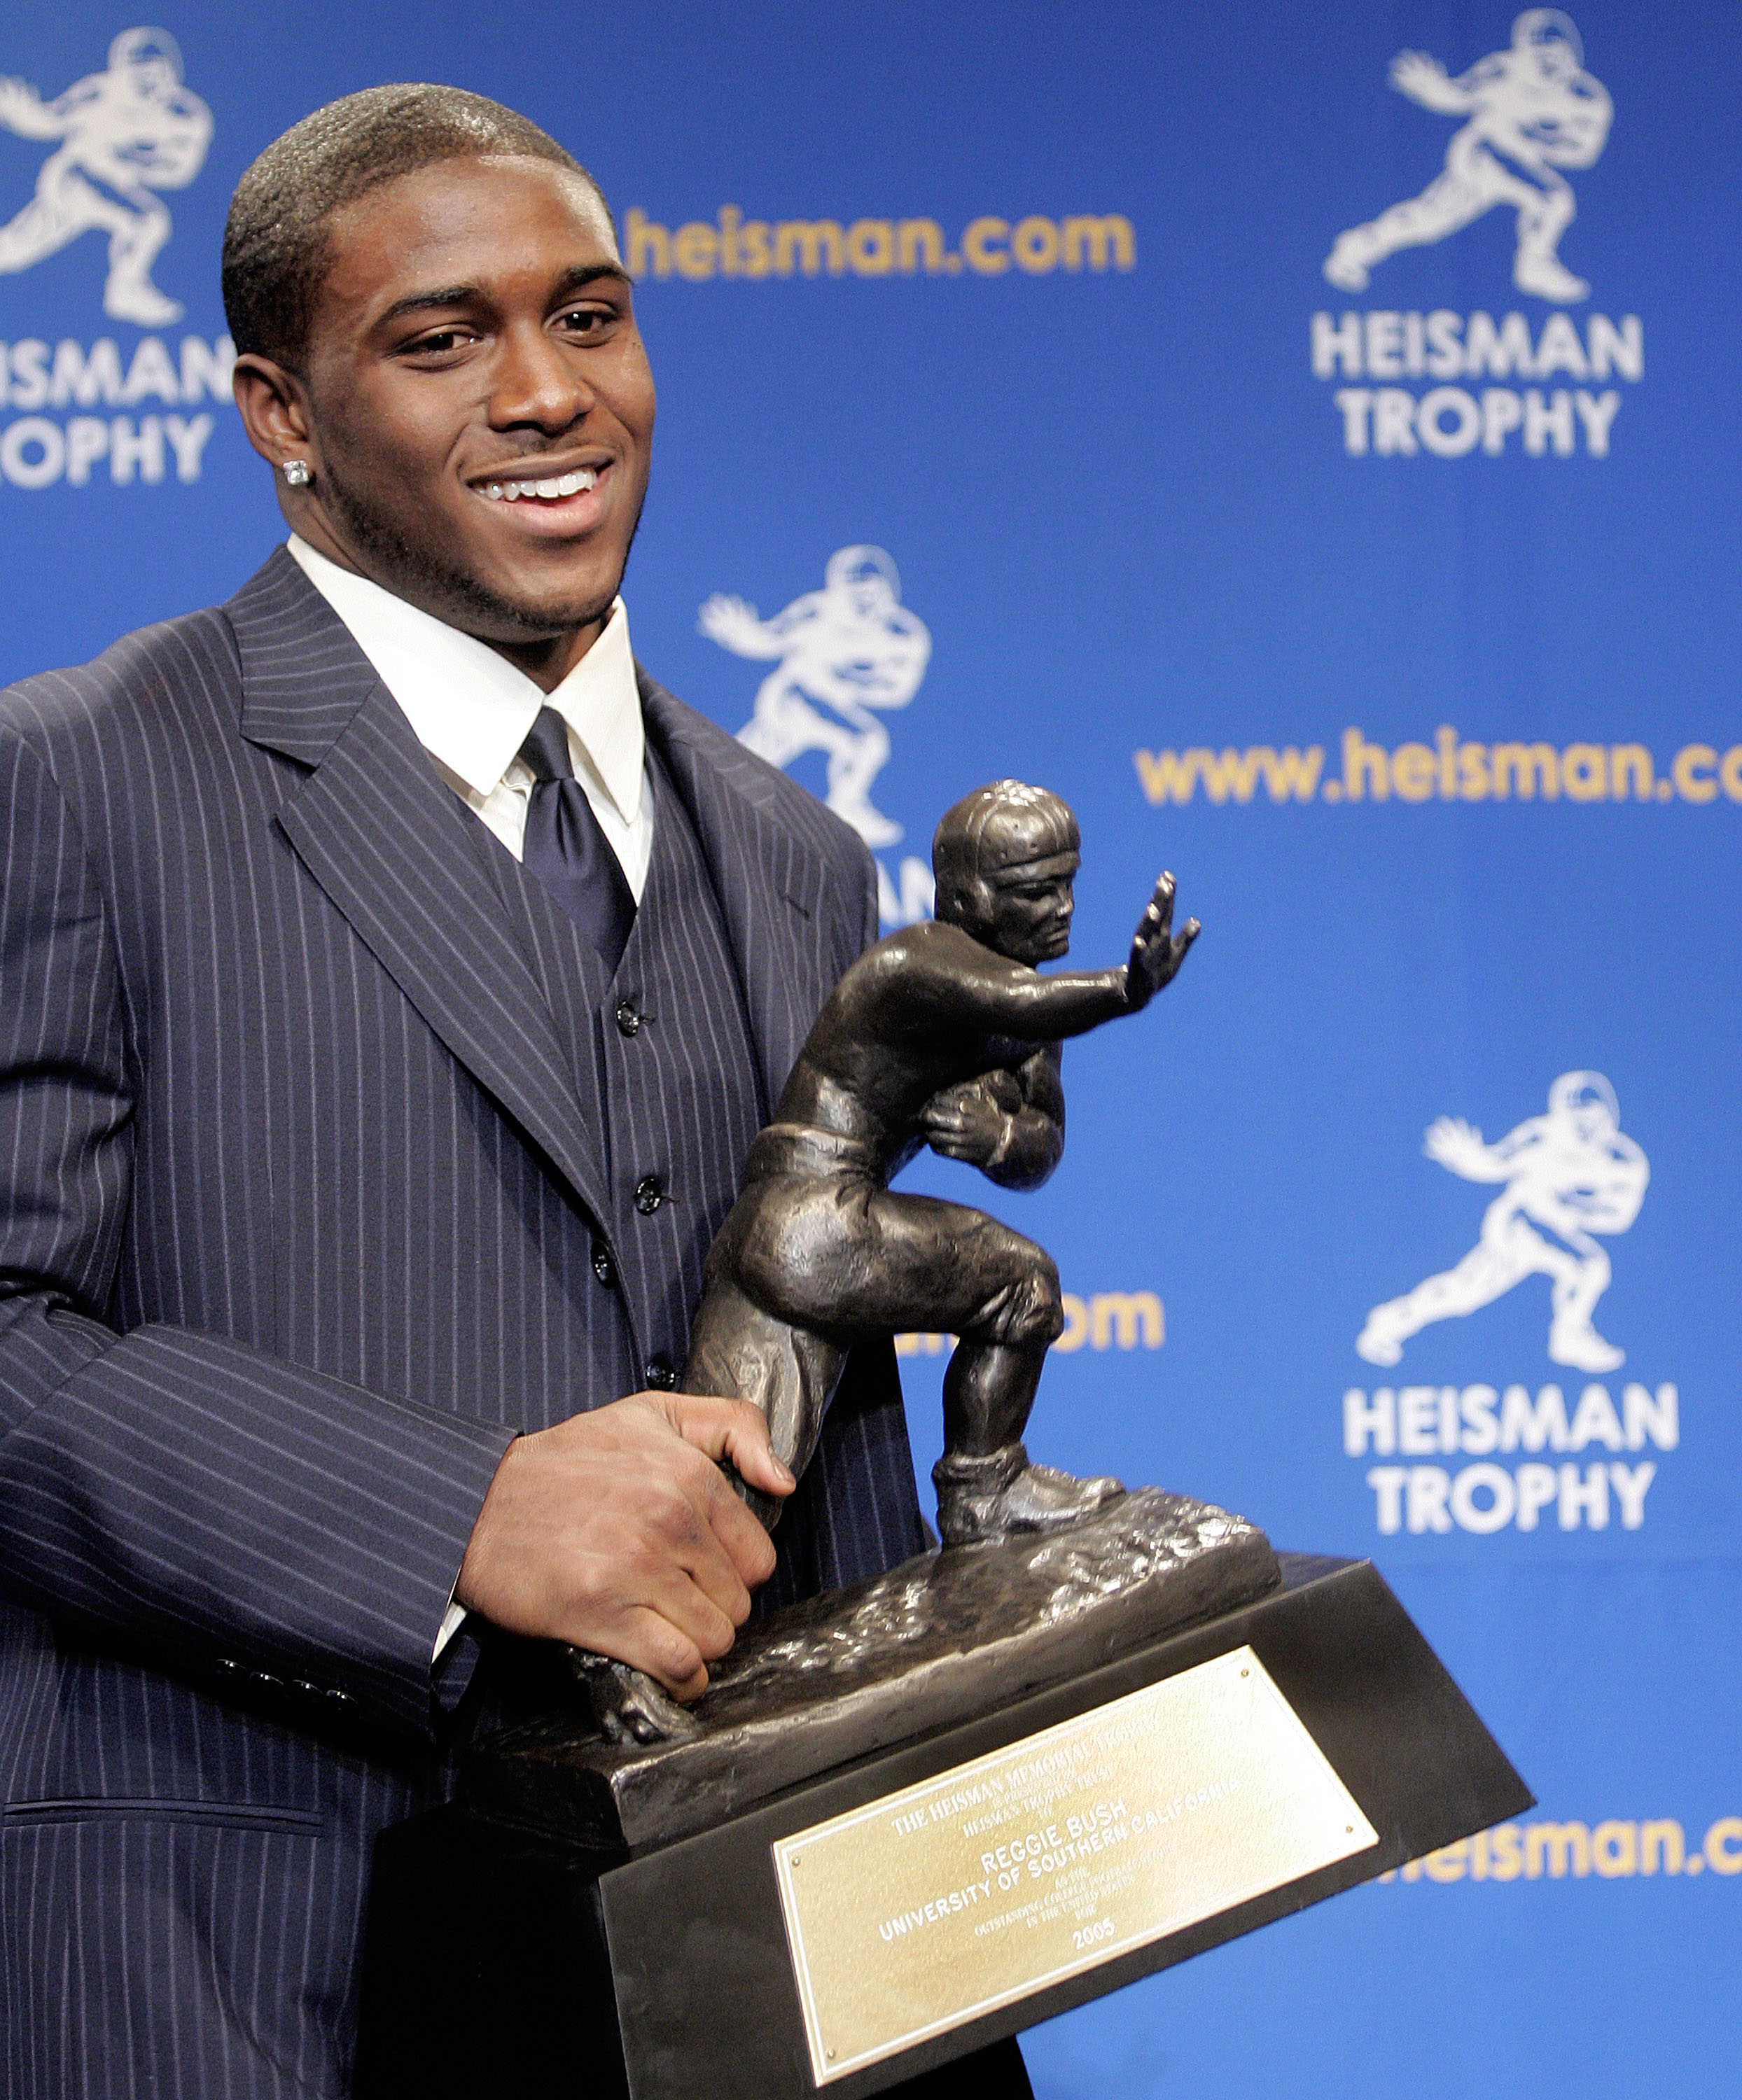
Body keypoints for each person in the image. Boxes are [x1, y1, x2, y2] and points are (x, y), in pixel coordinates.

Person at [0, 85, 1038, 2098]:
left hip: (724, 1996)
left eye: (590, 314)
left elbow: (826, 1457)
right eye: (442, 337)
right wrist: (450, 1514)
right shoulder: (76, 782)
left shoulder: (792, 849)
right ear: (279, 417)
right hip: (243, 1973)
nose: (550, 392)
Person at [686, 781, 1198, 1550]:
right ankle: (982, 1491)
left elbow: (1040, 1147)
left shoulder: (1031, 1002)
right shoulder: (917, 962)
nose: (1061, 907)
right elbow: (1018, 1006)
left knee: (739, 1486)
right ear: (967, 898)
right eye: (1035, 891)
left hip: (804, 1231)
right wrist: (1121, 990)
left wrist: (997, 1137)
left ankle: (631, 1657)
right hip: (811, 1214)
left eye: (1067, 885)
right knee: (1023, 1283)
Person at [1356, 1070, 1648, 1372]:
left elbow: (1619, 1217)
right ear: (1561, 1118)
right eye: (1578, 1122)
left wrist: (1567, 1207)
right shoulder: (1540, 1137)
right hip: (1518, 1223)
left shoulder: (1625, 1163)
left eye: (1595, 1121)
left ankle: (1389, 1322)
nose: (1587, 1131)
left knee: (1466, 1291)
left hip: (1557, 1228)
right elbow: (1496, 1163)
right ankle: (1568, 1336)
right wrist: (1469, 1159)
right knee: (1585, 1266)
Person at [1323, 10, 1612, 304]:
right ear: (1524, 53)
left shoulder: (1588, 99)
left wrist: (1533, 141)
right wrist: (1434, 90)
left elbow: (1584, 152)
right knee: (1552, 198)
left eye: (1556, 55)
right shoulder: (1502, 71)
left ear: (1572, 54)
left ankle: (1355, 248)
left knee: (1429, 220)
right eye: (1539, 55)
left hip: (1520, 161)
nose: (1548, 64)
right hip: (1482, 152)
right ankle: (1533, 265)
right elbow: (1459, 95)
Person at [699, 543, 931, 847]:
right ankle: (703, 798)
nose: (865, 601)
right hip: (793, 697)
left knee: (866, 742)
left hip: (835, 704)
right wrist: (740, 633)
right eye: (856, 591)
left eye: (873, 592)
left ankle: (847, 807)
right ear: (839, 589)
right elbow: (770, 638)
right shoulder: (817, 612)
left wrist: (844, 680)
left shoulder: (904, 636)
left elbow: (898, 690)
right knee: (746, 760)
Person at [0, 27, 212, 326]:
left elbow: (179, 170)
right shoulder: (99, 93)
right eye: (138, 74)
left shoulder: (185, 116)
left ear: (171, 73)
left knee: (13, 251)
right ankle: (124, 291)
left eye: (154, 73)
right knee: (146, 220)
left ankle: (126, 289)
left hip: (116, 187)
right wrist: (19, 112)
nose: (147, 83)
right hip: (74, 179)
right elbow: (50, 120)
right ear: (122, 72)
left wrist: (130, 160)